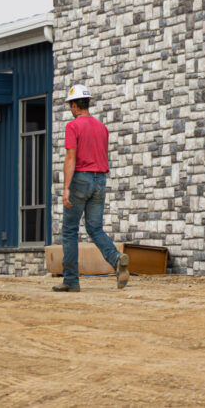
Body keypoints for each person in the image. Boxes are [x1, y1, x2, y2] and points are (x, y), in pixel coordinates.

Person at [53, 84, 129, 292]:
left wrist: (67, 187)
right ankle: (116, 260)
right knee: (94, 228)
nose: (70, 108)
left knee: (69, 230)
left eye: (70, 105)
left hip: (81, 180)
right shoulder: (101, 127)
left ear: (75, 105)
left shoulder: (73, 126)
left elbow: (71, 158)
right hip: (100, 180)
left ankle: (71, 280)